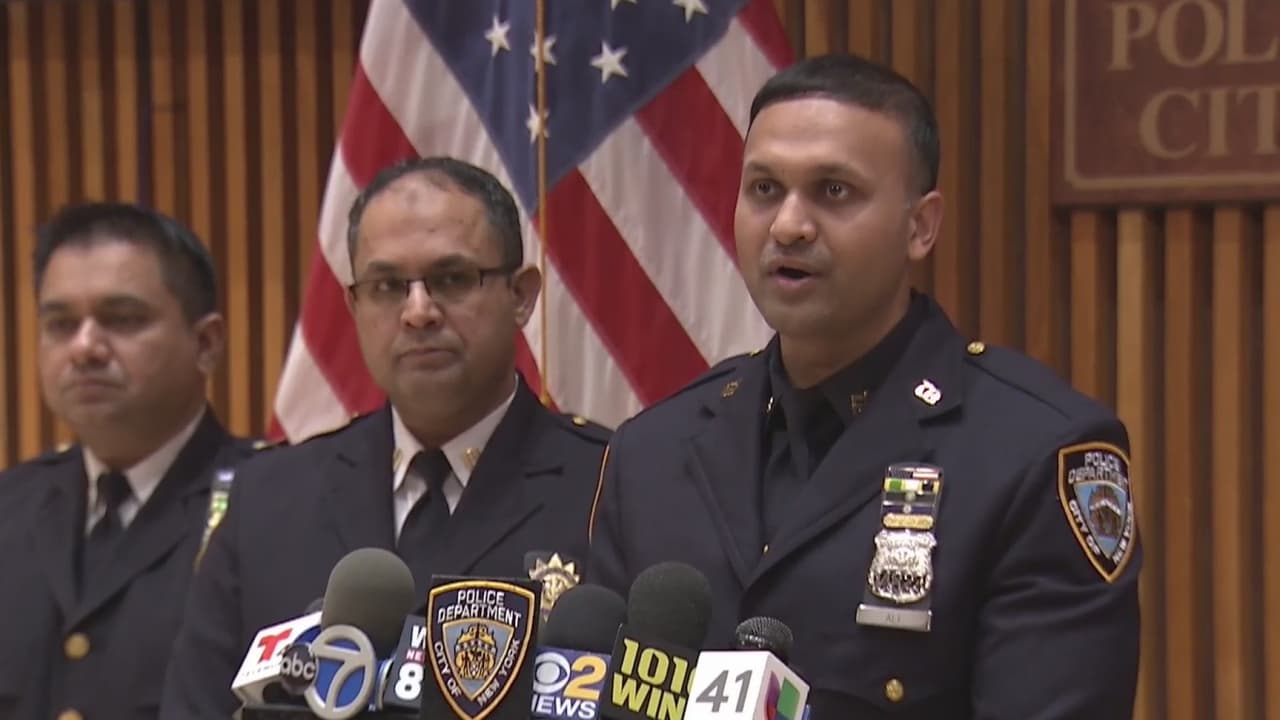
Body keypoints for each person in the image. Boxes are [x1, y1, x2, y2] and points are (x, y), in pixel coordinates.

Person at [587, 53, 1140, 719]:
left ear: (920, 227)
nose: (788, 225)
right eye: (764, 189)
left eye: (834, 191)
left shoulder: (1032, 453)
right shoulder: (653, 453)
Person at [160, 156, 611, 717]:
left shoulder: (610, 485)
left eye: (452, 279)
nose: (418, 312)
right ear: (354, 305)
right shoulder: (268, 500)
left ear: (521, 295)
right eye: (387, 286)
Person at [0, 203, 259, 720]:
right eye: (60, 324)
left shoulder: (273, 505)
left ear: (206, 344)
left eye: (121, 320)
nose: (85, 348)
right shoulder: (10, 506)